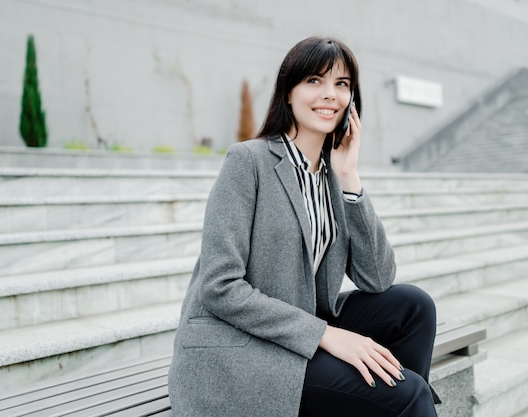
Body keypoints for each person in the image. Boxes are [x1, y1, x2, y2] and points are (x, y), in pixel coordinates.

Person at [168, 36, 438, 417]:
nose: (330, 94)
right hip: (241, 346)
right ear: (289, 92)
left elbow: (377, 278)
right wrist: (326, 335)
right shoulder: (248, 161)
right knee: (408, 393)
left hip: (297, 328)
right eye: (315, 80)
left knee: (413, 306)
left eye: (341, 84)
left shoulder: (331, 175)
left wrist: (350, 178)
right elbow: (219, 287)